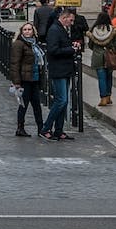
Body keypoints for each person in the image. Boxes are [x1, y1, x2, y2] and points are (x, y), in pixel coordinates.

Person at [39, 9, 78, 141]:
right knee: (61, 100)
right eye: (70, 20)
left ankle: (59, 130)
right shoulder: (55, 30)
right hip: (58, 70)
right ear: (64, 17)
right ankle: (45, 128)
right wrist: (71, 50)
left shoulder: (60, 29)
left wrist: (71, 46)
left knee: (64, 101)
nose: (72, 23)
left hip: (64, 69)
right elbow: (53, 50)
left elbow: (61, 46)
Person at [9, 21, 44, 137]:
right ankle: (20, 128)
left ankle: (41, 128)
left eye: (29, 29)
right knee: (23, 105)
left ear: (33, 31)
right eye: (25, 30)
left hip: (35, 78)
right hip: (25, 79)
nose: (27, 31)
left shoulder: (34, 44)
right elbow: (15, 63)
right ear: (21, 31)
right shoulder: (19, 44)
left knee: (37, 105)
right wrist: (17, 82)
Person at [87, 12, 116, 107]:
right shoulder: (112, 30)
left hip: (98, 56)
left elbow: (90, 45)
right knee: (109, 77)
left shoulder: (93, 30)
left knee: (101, 78)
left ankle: (103, 98)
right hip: (110, 56)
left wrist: (96, 50)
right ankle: (108, 97)